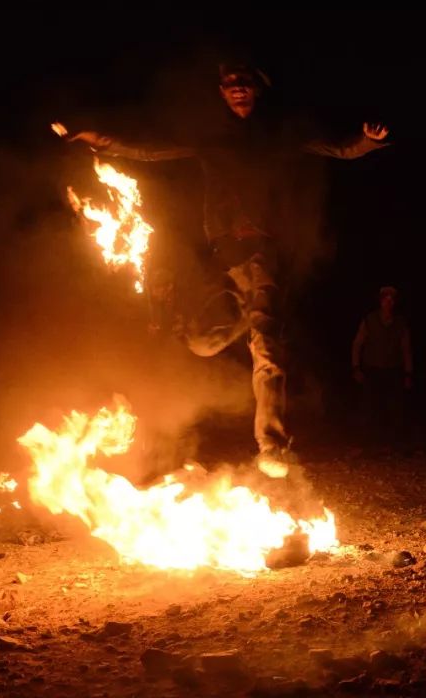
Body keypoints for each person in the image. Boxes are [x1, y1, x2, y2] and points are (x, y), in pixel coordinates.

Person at [60, 61, 390, 476]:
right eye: (229, 84)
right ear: (221, 91)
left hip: (262, 252)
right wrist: (101, 140)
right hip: (224, 255)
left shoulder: (279, 135)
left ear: (257, 89)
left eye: (244, 83)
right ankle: (243, 323)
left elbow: (338, 148)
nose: (237, 89)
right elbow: (149, 148)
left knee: (266, 342)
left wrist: (367, 140)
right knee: (204, 341)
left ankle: (271, 444)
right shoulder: (209, 137)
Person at [351, 286, 412, 450]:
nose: (389, 302)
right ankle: (366, 444)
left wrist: (408, 373)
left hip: (393, 370)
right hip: (372, 370)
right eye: (386, 298)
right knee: (369, 407)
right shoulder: (370, 320)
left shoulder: (400, 323)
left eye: (392, 299)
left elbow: (405, 349)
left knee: (395, 408)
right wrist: (356, 367)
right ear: (380, 301)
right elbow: (357, 344)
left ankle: (395, 444)